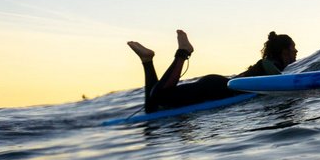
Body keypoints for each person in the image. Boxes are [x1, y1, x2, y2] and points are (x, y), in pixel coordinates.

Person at [127, 29, 297, 113]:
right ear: (284, 52)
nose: (296, 52)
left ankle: (146, 60)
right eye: (293, 48)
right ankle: (183, 52)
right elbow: (274, 76)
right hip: (216, 89)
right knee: (159, 96)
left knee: (152, 107)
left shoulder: (270, 63)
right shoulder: (271, 63)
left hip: (214, 86)